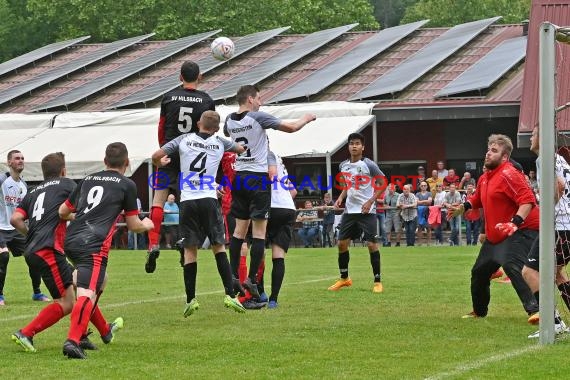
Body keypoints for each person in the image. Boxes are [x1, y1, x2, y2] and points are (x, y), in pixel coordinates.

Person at [58, 142, 154, 359]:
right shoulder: (127, 184)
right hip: (93, 243)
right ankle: (73, 341)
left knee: (101, 281)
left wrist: (83, 217)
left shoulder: (88, 179)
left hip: (73, 239)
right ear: (127, 163)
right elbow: (133, 225)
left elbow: (63, 212)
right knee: (87, 293)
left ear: (104, 161)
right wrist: (147, 224)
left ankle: (86, 333)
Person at [152, 110, 247, 318]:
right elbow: (240, 148)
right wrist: (241, 146)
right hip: (209, 199)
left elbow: (156, 156)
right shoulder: (220, 142)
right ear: (215, 128)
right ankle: (230, 295)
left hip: (187, 201)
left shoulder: (184, 139)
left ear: (198, 123)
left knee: (190, 251)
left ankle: (190, 299)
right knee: (218, 247)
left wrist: (161, 164)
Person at [224, 84, 316, 298]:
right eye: (258, 98)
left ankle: (234, 276)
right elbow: (292, 128)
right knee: (258, 233)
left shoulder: (228, 119)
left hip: (239, 178)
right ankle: (252, 279)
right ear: (249, 99)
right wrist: (307, 118)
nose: (260, 102)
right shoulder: (258, 117)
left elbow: (228, 133)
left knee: (238, 232)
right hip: (257, 178)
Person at [9, 153, 99, 352]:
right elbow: (82, 210)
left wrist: (30, 233)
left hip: (33, 249)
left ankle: (89, 333)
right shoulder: (66, 184)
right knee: (67, 303)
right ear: (63, 170)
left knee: (78, 282)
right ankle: (26, 333)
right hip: (49, 249)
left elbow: (15, 219)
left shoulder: (32, 191)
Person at [448, 134, 540, 321]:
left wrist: (514, 223)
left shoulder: (509, 173)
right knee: (479, 272)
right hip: (498, 233)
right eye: (488, 149)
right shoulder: (485, 177)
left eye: (494, 151)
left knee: (512, 265)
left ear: (505, 157)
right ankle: (479, 312)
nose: (488, 153)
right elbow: (477, 198)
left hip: (522, 229)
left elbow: (528, 201)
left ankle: (536, 311)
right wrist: (462, 208)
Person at [146, 61, 215, 274]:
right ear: (200, 77)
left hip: (169, 153)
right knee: (187, 200)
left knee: (158, 199)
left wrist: (163, 151)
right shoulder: (206, 100)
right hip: (191, 155)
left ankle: (153, 244)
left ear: (180, 77)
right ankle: (184, 242)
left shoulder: (169, 98)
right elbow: (209, 130)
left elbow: (161, 127)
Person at [522, 127, 570, 338]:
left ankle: (554, 322)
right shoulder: (560, 159)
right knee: (557, 273)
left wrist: (549, 209)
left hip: (558, 226)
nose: (530, 139)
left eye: (533, 134)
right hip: (565, 225)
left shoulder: (545, 158)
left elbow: (559, 185)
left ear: (542, 137)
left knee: (530, 272)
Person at [328, 132, 385, 293]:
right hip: (350, 211)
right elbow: (348, 185)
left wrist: (370, 201)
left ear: (363, 147)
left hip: (367, 211)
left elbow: (383, 183)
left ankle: (377, 281)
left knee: (372, 244)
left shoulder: (369, 165)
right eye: (351, 143)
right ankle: (344, 279)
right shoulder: (343, 165)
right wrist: (340, 198)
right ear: (348, 146)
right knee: (341, 244)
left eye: (357, 143)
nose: (354, 146)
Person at [0, 150, 49, 305]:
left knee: (34, 255)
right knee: (3, 256)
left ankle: (37, 292)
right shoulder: (2, 179)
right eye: (16, 158)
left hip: (15, 228)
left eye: (22, 158)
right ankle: (0, 295)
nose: (20, 160)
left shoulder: (23, 185)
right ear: (9, 162)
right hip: (0, 228)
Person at [264, 151, 298, 308]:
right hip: (287, 208)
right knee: (278, 256)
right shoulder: (278, 158)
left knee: (258, 249)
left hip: (270, 206)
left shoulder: (260, 154)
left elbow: (267, 177)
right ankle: (273, 299)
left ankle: (259, 292)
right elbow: (294, 191)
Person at [415, 181, 432, 246]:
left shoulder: (429, 193)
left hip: (428, 212)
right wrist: (425, 202)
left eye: (425, 185)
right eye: (422, 186)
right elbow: (417, 202)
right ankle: (420, 243)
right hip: (419, 213)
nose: (423, 187)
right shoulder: (417, 194)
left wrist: (421, 202)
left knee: (428, 228)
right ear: (420, 187)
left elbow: (429, 202)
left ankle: (429, 243)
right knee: (419, 228)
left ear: (427, 186)